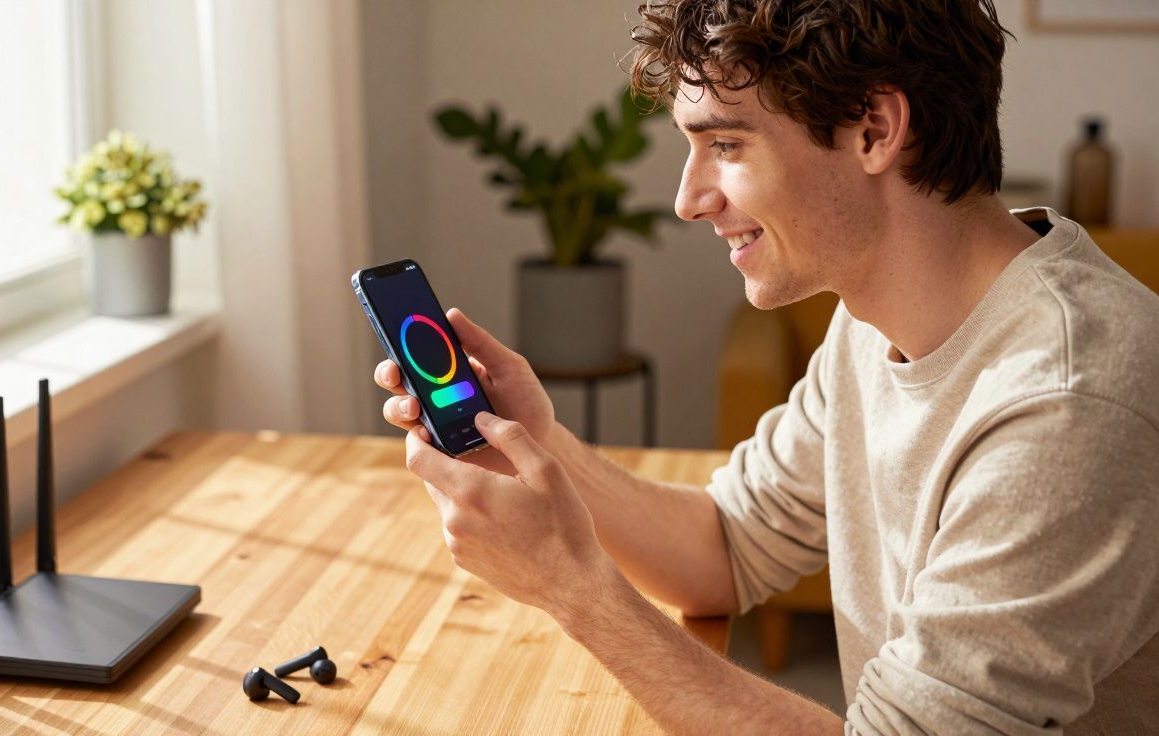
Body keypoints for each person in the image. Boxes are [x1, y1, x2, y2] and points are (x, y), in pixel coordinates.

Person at [373, 0, 1159, 732]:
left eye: (725, 144)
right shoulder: (873, 314)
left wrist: (573, 590)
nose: (688, 199)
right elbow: (726, 546)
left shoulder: (1067, 401)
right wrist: (539, 447)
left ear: (875, 129)